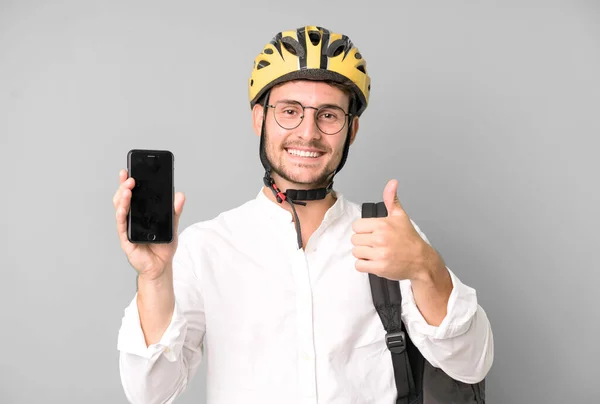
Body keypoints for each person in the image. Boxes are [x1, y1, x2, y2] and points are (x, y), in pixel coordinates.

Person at [114, 25, 494, 404]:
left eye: (328, 115)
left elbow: (471, 364)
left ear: (352, 129)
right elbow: (149, 394)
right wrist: (153, 279)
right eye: (290, 111)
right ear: (259, 119)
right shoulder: (206, 248)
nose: (308, 133)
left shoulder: (391, 236)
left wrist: (426, 267)